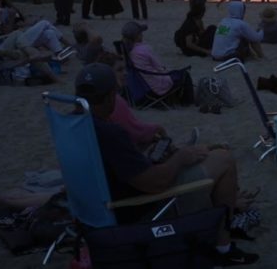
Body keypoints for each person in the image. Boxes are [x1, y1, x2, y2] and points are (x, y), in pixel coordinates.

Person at [72, 63, 259, 266]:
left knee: (202, 153)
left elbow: (120, 165)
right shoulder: (110, 134)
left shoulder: (75, 124)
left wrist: (151, 157)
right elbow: (155, 184)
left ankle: (220, 212)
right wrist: (179, 159)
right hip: (138, 207)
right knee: (224, 159)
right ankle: (223, 247)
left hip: (97, 206)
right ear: (111, 97)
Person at [122, 21, 194, 105]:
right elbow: (159, 67)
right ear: (137, 36)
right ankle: (189, 104)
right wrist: (169, 72)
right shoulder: (144, 49)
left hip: (143, 85)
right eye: (141, 33)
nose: (142, 35)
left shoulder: (129, 51)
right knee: (185, 75)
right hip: (155, 86)